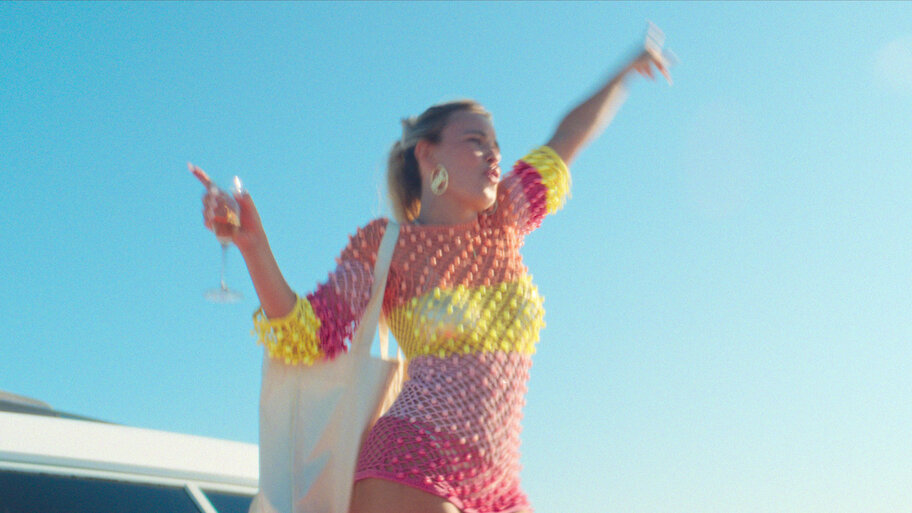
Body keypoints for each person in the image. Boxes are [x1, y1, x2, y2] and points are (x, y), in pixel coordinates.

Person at [195, 34, 671, 513]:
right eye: (475, 142)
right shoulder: (387, 246)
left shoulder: (507, 219)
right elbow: (306, 334)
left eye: (496, 145)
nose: (494, 155)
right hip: (412, 461)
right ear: (427, 155)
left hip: (499, 489)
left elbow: (566, 139)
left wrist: (623, 73)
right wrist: (253, 247)